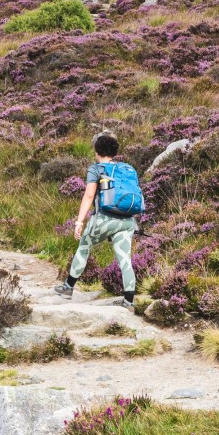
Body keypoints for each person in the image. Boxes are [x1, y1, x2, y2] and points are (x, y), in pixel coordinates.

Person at [54, 132, 140, 310]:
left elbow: (89, 196)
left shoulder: (96, 169)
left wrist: (79, 222)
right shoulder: (127, 169)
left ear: (97, 151)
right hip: (128, 221)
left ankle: (68, 287)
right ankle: (129, 301)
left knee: (84, 247)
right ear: (114, 151)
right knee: (125, 259)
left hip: (104, 219)